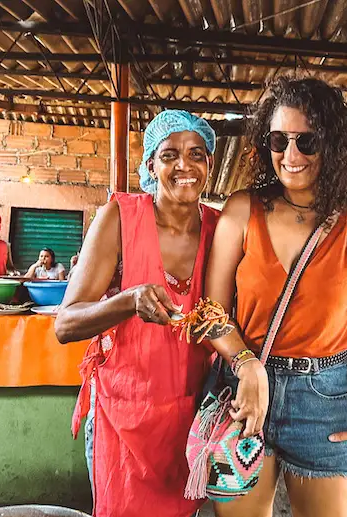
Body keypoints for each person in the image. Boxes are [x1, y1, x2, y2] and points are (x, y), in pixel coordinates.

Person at [204, 77, 347, 517]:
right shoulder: (241, 210)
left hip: (327, 403)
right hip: (243, 396)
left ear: (331, 145)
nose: (290, 156)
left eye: (306, 141)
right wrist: (245, 363)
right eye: (279, 140)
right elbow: (211, 311)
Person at [54, 110, 247, 517]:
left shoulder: (221, 230)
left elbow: (247, 309)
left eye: (197, 154)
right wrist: (127, 301)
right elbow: (66, 323)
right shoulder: (120, 218)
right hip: (122, 421)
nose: (184, 166)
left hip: (188, 423)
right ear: (150, 165)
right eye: (169, 155)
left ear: (210, 164)